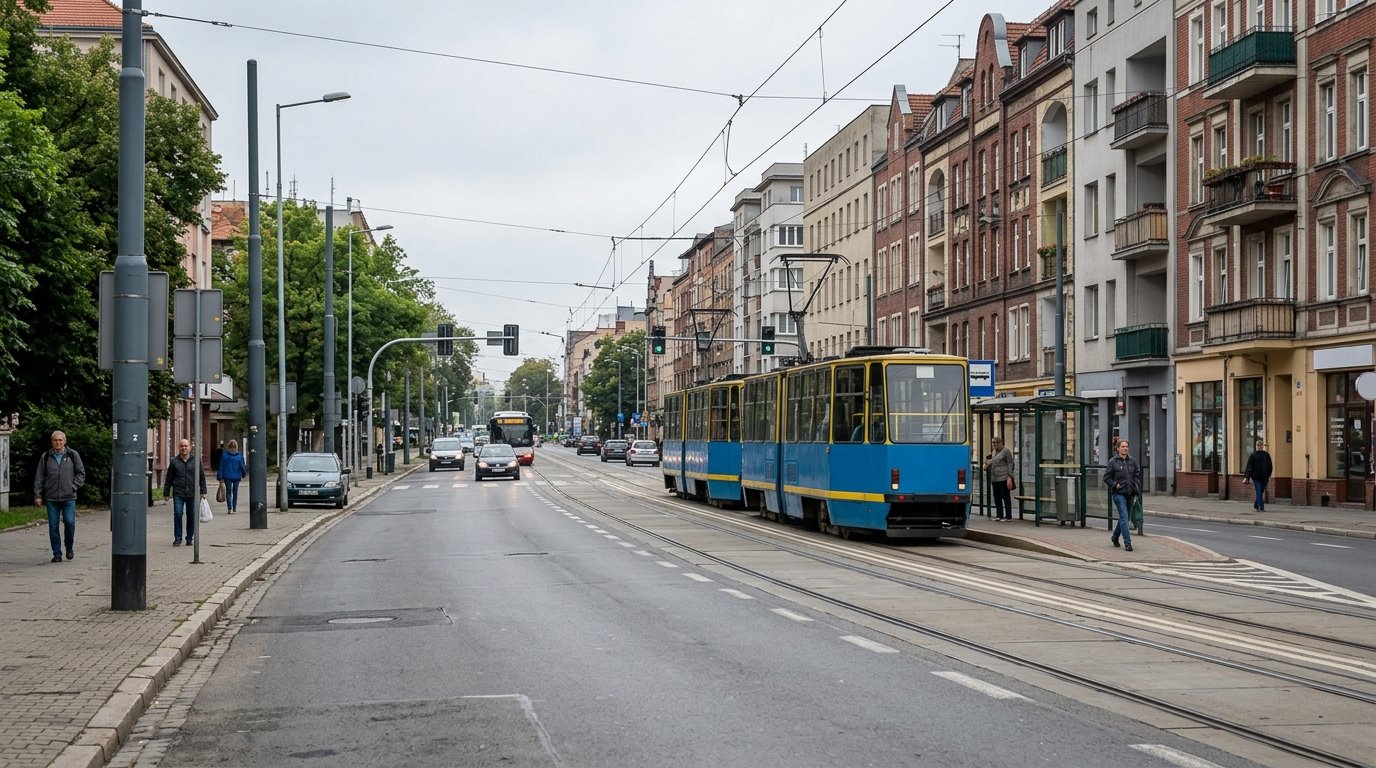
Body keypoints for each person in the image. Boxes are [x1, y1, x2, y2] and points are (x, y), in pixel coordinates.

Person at [34, 430, 85, 562]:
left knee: (69, 523)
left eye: (60, 440)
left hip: (69, 497)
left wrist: (73, 487)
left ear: (65, 441)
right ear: (52, 442)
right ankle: (57, 553)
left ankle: (69, 547)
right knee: (53, 526)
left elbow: (81, 474)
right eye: (55, 440)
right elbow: (39, 477)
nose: (58, 442)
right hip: (51, 498)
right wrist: (37, 495)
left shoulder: (73, 455)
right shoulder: (46, 457)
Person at [163, 438, 207, 546]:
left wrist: (203, 490)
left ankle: (189, 538)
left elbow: (201, 476)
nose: (184, 448)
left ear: (190, 448)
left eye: (185, 446)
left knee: (191, 515)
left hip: (192, 492)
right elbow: (169, 478)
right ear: (179, 448)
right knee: (178, 514)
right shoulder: (174, 462)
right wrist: (166, 492)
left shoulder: (196, 461)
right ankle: (178, 538)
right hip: (178, 492)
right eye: (182, 446)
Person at [1104, 438, 1140, 552]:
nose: (1125, 448)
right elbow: (1106, 478)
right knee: (1124, 518)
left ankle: (1115, 537)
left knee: (1124, 518)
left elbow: (1137, 475)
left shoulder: (1132, 461)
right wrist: (1115, 485)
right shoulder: (1113, 462)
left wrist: (1136, 485)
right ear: (1118, 448)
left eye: (1126, 447)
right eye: (1123, 447)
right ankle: (1128, 543)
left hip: (1130, 493)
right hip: (1118, 494)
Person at [983, 436, 1015, 521]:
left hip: (1003, 477)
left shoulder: (1006, 451)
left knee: (1005, 497)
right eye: (993, 443)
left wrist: (1010, 476)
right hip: (995, 478)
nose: (995, 444)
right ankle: (999, 515)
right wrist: (987, 465)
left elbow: (1010, 464)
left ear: (1001, 443)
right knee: (997, 497)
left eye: (997, 442)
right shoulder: (993, 452)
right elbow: (993, 463)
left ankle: (1008, 516)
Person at [216, 438, 247, 515]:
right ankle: (234, 508)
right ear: (236, 447)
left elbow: (221, 466)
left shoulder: (225, 455)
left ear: (228, 446)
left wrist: (220, 477)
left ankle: (229, 508)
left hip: (227, 476)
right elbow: (242, 467)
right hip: (236, 476)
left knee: (228, 492)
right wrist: (243, 474)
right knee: (235, 492)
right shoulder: (239, 456)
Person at [1243, 439, 1273, 512]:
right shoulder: (1253, 455)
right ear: (1256, 446)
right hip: (1256, 477)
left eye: (1260, 445)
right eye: (1257, 445)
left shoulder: (1266, 455)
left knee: (1261, 491)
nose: (1259, 446)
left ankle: (1256, 505)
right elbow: (1249, 467)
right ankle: (1261, 507)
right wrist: (1247, 477)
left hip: (1264, 477)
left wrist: (1268, 475)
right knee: (1258, 491)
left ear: (1262, 446)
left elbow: (1270, 466)